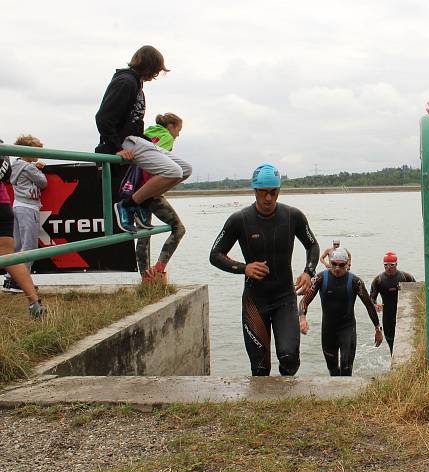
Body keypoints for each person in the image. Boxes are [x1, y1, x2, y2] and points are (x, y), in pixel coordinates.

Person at [209, 162, 319, 376]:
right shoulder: (239, 220)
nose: (268, 198)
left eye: (273, 192)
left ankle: (287, 404)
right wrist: (244, 268)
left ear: (278, 191)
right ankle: (263, 406)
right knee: (260, 368)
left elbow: (312, 245)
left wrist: (308, 271)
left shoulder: (292, 216)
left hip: (284, 298)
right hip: (254, 301)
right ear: (254, 190)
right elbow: (215, 255)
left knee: (289, 358)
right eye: (263, 192)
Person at [95, 45, 192, 233]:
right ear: (148, 65)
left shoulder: (137, 84)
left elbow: (134, 122)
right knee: (172, 171)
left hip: (136, 138)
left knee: (185, 169)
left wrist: (148, 141)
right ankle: (127, 205)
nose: (156, 75)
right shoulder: (125, 82)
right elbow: (103, 118)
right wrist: (116, 147)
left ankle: (142, 201)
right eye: (156, 70)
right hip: (124, 141)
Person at [299, 248, 382, 376]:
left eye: (341, 265)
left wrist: (378, 329)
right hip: (328, 330)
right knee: (332, 370)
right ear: (330, 263)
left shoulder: (355, 282)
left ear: (347, 264)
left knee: (346, 369)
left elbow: (369, 305)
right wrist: (302, 318)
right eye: (334, 264)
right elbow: (304, 301)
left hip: (347, 328)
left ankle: (348, 394)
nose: (337, 268)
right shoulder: (320, 278)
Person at [135, 113, 187, 283]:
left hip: (134, 190)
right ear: (170, 126)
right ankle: (158, 269)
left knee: (144, 233)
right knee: (178, 229)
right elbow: (158, 162)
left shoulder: (146, 134)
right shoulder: (166, 137)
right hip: (150, 191)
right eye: (178, 130)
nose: (178, 135)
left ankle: (145, 277)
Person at [0, 146, 45, 317]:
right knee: (8, 254)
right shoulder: (3, 147)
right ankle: (34, 303)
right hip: (3, 203)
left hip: (11, 204)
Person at [370, 251, 415, 355]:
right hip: (388, 318)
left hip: (404, 316)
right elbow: (371, 299)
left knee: (407, 344)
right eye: (386, 265)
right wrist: (375, 305)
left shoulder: (406, 277)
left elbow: (417, 294)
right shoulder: (378, 280)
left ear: (396, 264)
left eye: (391, 265)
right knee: (392, 347)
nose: (388, 267)